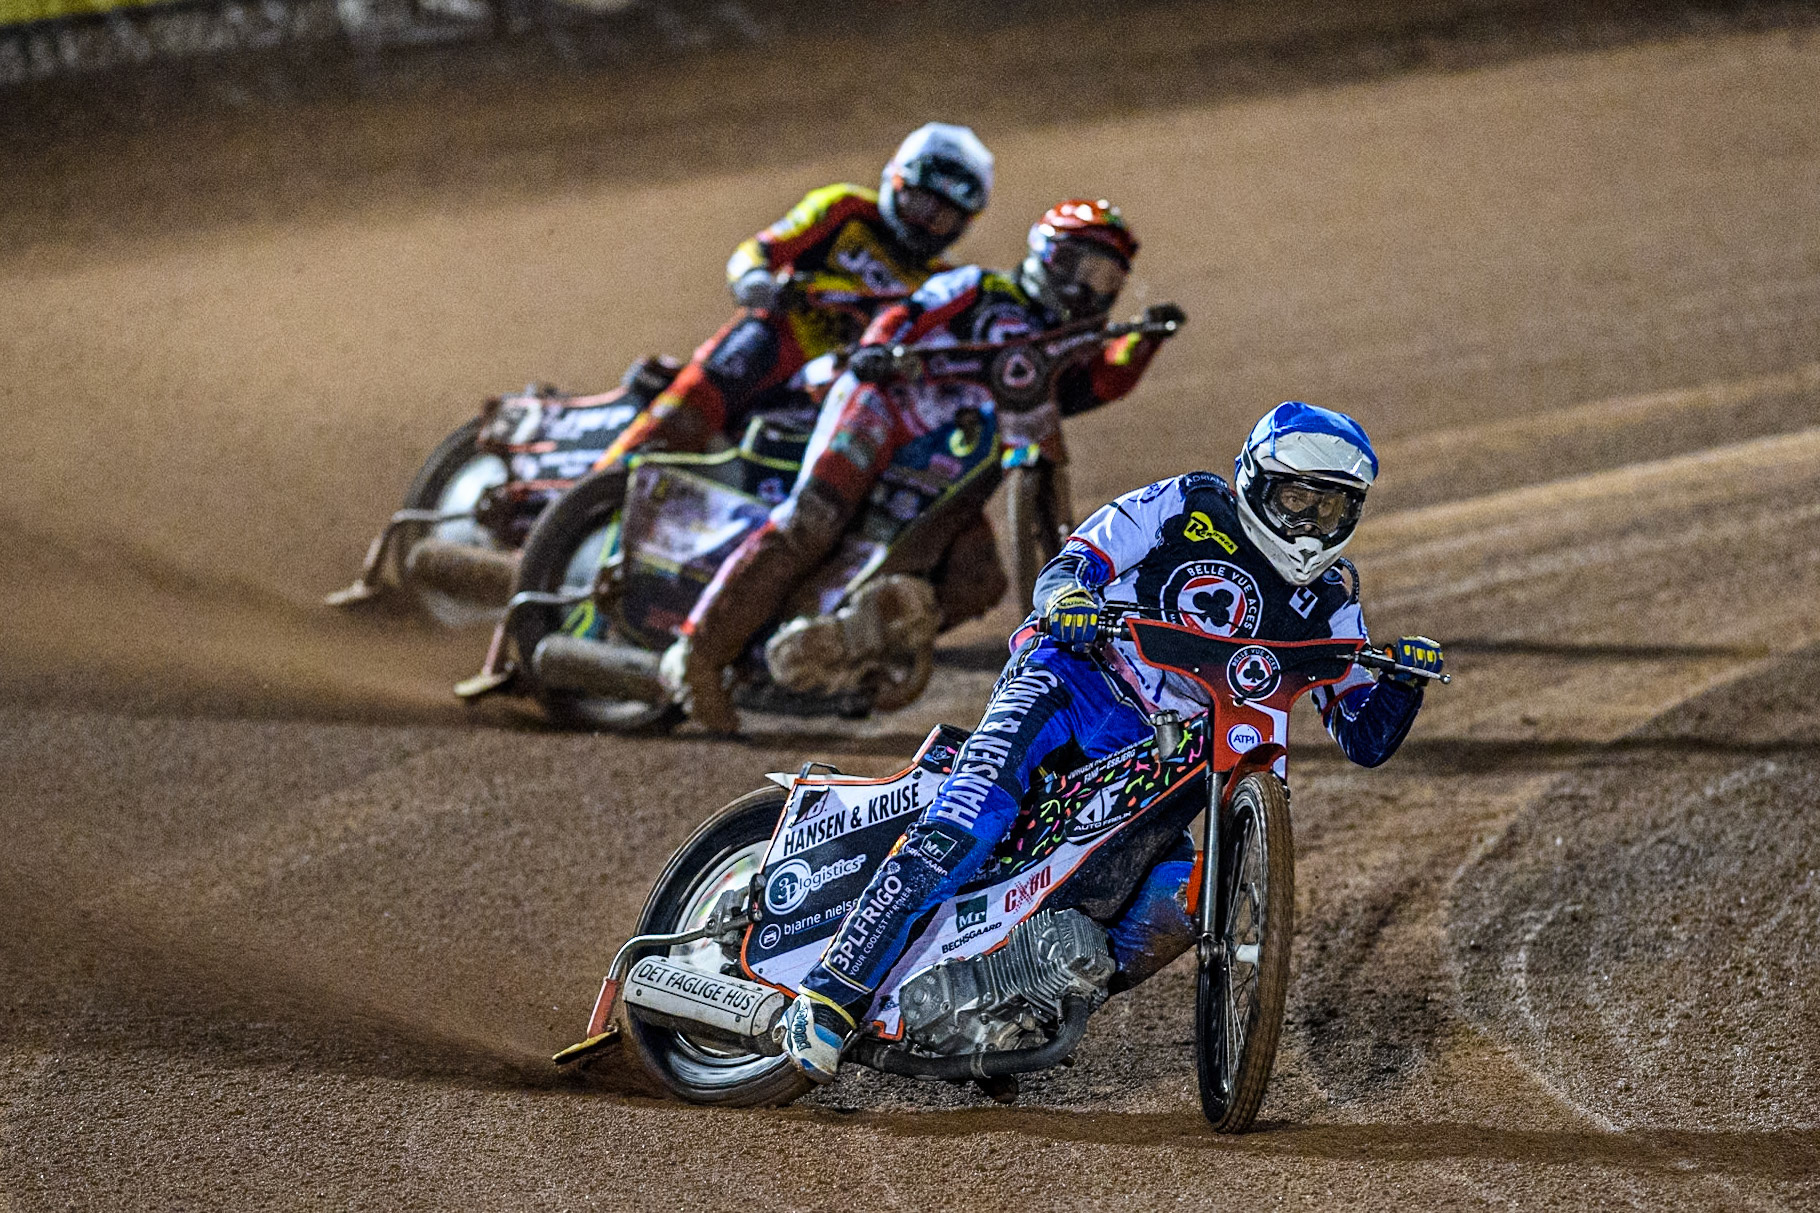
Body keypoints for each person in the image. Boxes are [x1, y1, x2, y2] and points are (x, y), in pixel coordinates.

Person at [776, 401, 1446, 1082]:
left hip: (1166, 756)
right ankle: (832, 990)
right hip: (1075, 680)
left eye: (1331, 508)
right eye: (1296, 497)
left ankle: (1013, 999)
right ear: (1254, 480)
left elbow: (1363, 735)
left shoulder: (1332, 600)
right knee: (973, 816)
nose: (1309, 522)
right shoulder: (1188, 504)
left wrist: (1403, 684)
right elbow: (1076, 560)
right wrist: (1070, 595)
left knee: (1184, 898)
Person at [666, 198, 1184, 732]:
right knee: (812, 520)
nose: (1092, 287)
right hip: (884, 405)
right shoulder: (981, 289)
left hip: (951, 464)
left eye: (1107, 277)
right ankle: (696, 652)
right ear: (1048, 256)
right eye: (1083, 267)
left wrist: (1145, 343)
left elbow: (1100, 383)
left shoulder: (1067, 345)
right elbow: (908, 313)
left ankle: (839, 646)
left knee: (978, 578)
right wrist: (879, 347)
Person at [594, 122, 994, 468]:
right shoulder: (845, 209)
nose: (925, 222)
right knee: (711, 388)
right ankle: (608, 476)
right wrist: (753, 279)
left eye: (941, 215)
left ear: (964, 223)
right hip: (773, 345)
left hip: (844, 386)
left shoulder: (948, 282)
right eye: (920, 202)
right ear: (896, 181)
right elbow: (761, 250)